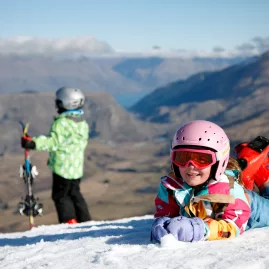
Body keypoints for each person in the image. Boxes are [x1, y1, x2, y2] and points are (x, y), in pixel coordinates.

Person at [151, 120, 269, 243]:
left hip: (251, 211)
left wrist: (201, 229)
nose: (191, 166)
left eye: (202, 159)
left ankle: (263, 173)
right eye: (183, 157)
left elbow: (233, 227)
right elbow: (167, 213)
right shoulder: (170, 187)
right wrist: (162, 224)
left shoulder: (230, 191)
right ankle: (247, 171)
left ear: (219, 162)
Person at [21, 87, 91, 224]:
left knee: (61, 195)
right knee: (75, 194)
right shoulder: (82, 123)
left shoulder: (61, 123)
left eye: (58, 102)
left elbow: (53, 142)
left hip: (62, 167)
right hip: (76, 168)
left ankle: (69, 222)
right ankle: (85, 220)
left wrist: (33, 143)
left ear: (66, 103)